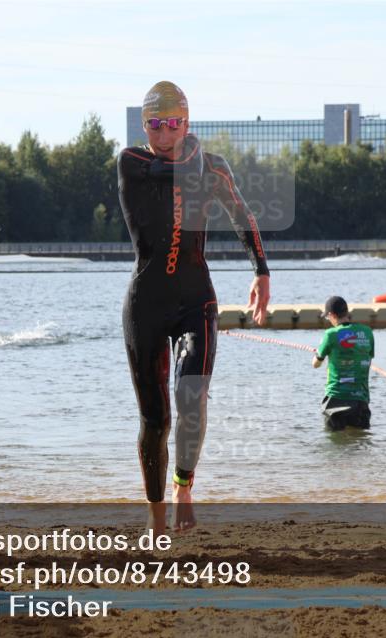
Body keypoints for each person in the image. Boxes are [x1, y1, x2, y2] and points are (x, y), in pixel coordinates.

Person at [118, 81, 270, 534]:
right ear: (145, 127)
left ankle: (184, 486)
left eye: (174, 124)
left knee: (192, 398)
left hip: (195, 299)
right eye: (155, 124)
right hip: (145, 304)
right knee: (155, 418)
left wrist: (261, 271)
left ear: (187, 122)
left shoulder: (212, 166)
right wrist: (199, 157)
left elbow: (242, 214)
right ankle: (155, 509)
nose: (164, 134)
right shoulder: (132, 163)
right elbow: (178, 171)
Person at [312, 296, 374, 430]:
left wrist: (319, 351)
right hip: (361, 399)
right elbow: (367, 359)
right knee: (359, 443)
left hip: (336, 399)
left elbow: (316, 364)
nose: (328, 321)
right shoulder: (367, 332)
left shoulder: (330, 334)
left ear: (332, 315)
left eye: (328, 317)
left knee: (335, 445)